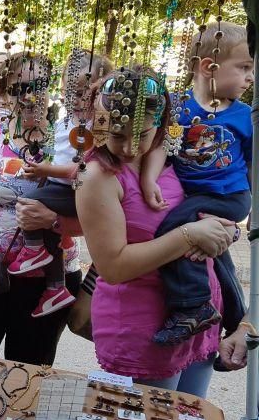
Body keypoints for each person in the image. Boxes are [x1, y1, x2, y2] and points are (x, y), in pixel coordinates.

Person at [76, 65, 250, 395]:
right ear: (99, 123)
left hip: (199, 326)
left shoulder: (171, 157)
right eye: (116, 135)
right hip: (145, 334)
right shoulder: (95, 176)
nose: (128, 148)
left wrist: (225, 232)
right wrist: (189, 236)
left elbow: (211, 206)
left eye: (141, 135)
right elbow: (113, 267)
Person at [0, 52, 81, 365]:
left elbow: (97, 219)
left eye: (38, 85)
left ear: (50, 88)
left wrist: (53, 221)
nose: (29, 95)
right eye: (19, 87)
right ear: (5, 90)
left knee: (29, 374)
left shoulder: (67, 142)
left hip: (44, 283)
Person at [139, 22, 254, 345]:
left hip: (228, 196)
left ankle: (192, 306)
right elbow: (164, 146)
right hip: (196, 195)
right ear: (209, 67)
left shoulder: (244, 115)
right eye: (244, 67)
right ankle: (232, 314)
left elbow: (252, 165)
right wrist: (149, 179)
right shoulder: (178, 108)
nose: (250, 77)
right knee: (211, 255)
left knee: (172, 232)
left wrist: (247, 211)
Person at [8, 51, 113, 317]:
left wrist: (47, 169)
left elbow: (84, 168)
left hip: (76, 192)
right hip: (60, 186)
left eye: (84, 94)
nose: (76, 101)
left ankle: (32, 251)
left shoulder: (98, 124)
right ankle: (56, 288)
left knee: (29, 200)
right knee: (50, 235)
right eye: (70, 93)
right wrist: (44, 170)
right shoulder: (66, 121)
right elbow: (59, 154)